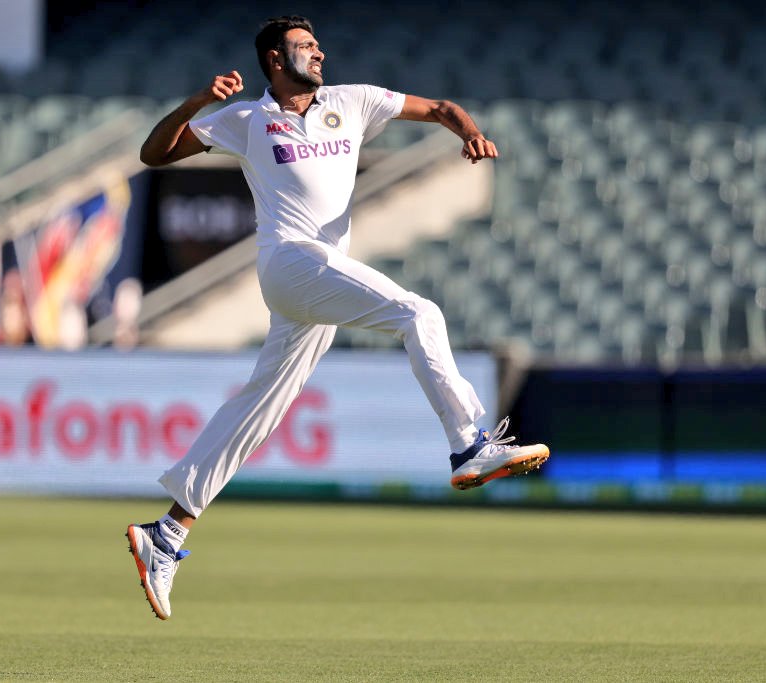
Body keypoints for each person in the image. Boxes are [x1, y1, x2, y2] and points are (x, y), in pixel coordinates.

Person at [126, 15, 550, 620]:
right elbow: (154, 152)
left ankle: (166, 534)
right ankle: (467, 446)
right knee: (418, 311)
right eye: (305, 46)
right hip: (290, 261)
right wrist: (196, 103)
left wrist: (470, 133)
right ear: (276, 59)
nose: (319, 52)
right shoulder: (245, 118)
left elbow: (441, 108)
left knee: (261, 406)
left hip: (317, 277)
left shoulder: (351, 102)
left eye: (318, 44)